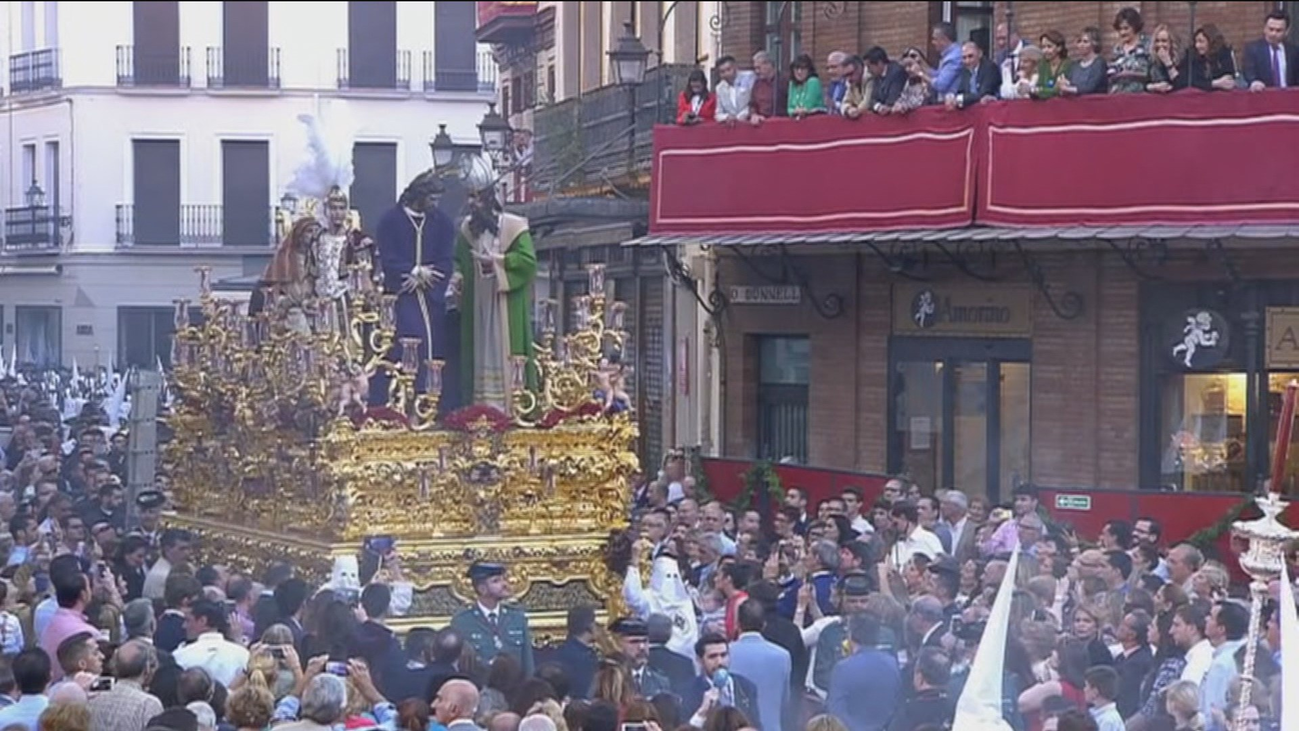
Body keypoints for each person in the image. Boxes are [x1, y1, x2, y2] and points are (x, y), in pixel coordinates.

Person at [450, 154, 538, 412]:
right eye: (469, 197)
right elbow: (459, 261)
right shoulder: (468, 229)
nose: (471, 203)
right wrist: (458, 278)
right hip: (478, 304)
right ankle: (480, 408)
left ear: (488, 198)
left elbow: (527, 261)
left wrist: (497, 261)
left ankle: (511, 408)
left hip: (503, 304)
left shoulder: (514, 226)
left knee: (505, 354)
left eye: (476, 197)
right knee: (479, 353)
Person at [372, 169, 457, 401]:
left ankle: (431, 400)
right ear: (419, 195)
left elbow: (446, 259)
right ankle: (404, 399)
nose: (435, 204)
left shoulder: (442, 223)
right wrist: (411, 271)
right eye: (432, 198)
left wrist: (429, 276)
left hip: (431, 297)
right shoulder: (391, 221)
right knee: (409, 340)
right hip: (404, 296)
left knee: (434, 344)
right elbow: (388, 257)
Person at [450, 562, 534, 675]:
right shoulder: (462, 622)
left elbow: (527, 662)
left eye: (504, 579)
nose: (504, 584)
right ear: (482, 589)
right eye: (496, 581)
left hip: (515, 689)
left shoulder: (516, 618)